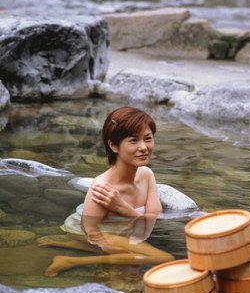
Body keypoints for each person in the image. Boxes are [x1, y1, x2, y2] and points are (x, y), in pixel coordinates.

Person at [40, 106, 174, 277]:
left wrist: (123, 209)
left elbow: (154, 217)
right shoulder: (102, 188)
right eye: (133, 141)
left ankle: (76, 248)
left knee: (130, 263)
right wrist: (111, 246)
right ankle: (69, 260)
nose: (143, 147)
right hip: (88, 230)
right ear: (113, 145)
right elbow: (91, 231)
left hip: (120, 230)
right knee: (163, 258)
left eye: (148, 139)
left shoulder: (147, 175)